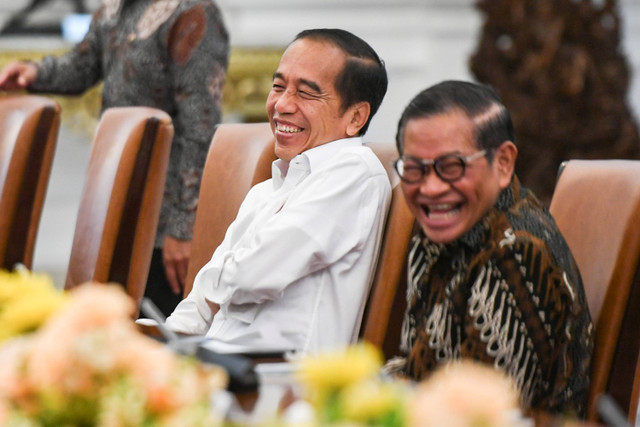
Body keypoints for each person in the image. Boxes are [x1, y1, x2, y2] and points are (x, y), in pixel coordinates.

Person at [164, 28, 391, 354]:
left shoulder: (353, 172)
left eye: (306, 93)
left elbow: (252, 276)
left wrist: (219, 277)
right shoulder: (269, 188)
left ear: (355, 117)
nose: (282, 104)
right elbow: (200, 302)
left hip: (279, 382)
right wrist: (166, 343)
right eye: (278, 86)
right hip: (217, 363)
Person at [0, 0, 230, 317]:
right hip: (121, 197)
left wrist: (183, 228)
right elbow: (83, 65)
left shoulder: (192, 13)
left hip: (167, 217)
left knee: (158, 324)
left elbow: (201, 129)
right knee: (114, 319)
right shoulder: (115, 7)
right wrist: (35, 72)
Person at [387, 80, 593, 417]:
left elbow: (484, 416)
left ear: (502, 163)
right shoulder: (441, 227)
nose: (431, 188)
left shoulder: (516, 252)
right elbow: (413, 368)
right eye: (414, 169)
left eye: (451, 166)